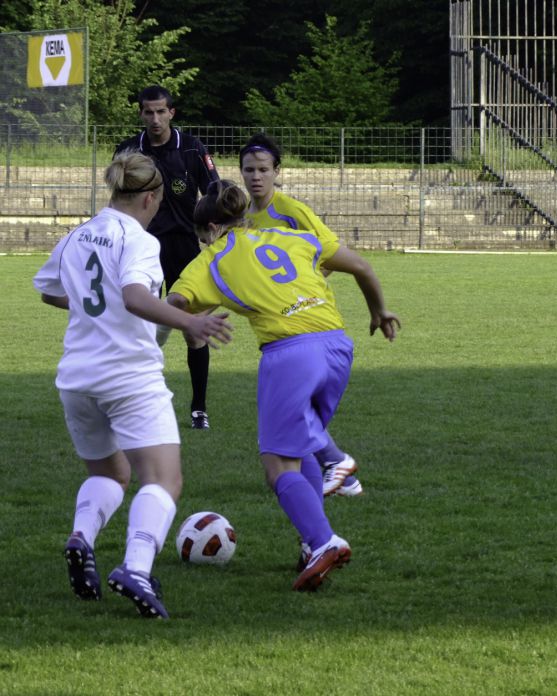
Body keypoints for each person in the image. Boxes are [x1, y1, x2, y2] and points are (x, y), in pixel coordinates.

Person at [167, 181, 400, 592]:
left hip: (290, 354)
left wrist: (189, 327)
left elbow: (176, 306)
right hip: (336, 346)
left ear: (211, 229)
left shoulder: (211, 258)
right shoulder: (291, 236)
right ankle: (312, 543)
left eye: (201, 236)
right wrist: (379, 311)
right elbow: (361, 266)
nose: (202, 243)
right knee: (300, 446)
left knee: (277, 464)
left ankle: (325, 541)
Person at [32, 152, 232, 619]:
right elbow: (135, 297)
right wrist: (189, 322)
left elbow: (47, 289)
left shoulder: (77, 234)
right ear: (151, 197)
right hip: (128, 375)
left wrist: (88, 307)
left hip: (76, 378)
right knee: (164, 479)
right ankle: (136, 569)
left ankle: (82, 537)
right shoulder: (138, 240)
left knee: (110, 475)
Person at [239, 133, 363, 506]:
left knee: (292, 408)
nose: (256, 177)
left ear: (278, 172)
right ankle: (341, 474)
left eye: (263, 169)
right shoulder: (247, 217)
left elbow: (330, 252)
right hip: (282, 326)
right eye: (249, 170)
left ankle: (337, 461)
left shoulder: (290, 210)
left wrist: (301, 290)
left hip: (307, 322)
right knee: (298, 408)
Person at [114, 85, 220, 430]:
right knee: (134, 324)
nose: (155, 119)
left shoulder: (191, 147)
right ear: (140, 114)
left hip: (185, 250)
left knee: (194, 329)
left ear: (172, 113)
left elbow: (215, 192)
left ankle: (199, 409)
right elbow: (116, 201)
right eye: (149, 112)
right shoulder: (128, 150)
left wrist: (211, 228)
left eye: (162, 111)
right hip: (140, 250)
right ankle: (129, 398)